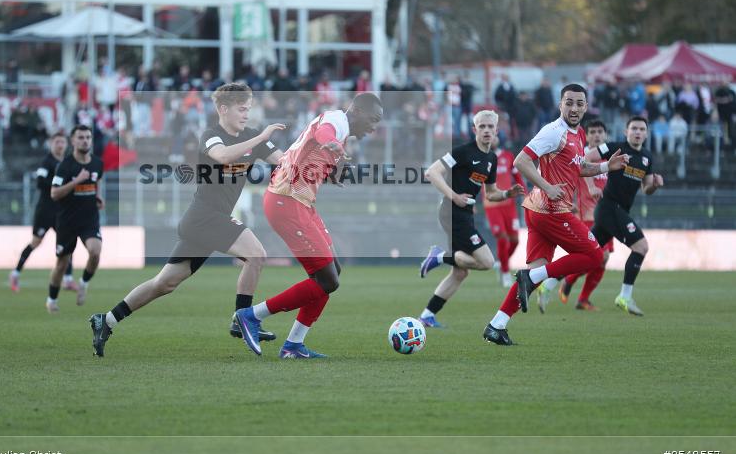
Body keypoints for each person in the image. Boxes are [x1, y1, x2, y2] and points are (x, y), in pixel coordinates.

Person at [88, 83, 285, 357]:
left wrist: (321, 155)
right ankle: (242, 320)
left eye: (248, 109)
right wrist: (260, 138)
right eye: (241, 109)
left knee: (164, 283)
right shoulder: (211, 136)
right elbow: (224, 155)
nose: (246, 114)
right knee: (257, 255)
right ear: (222, 109)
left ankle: (106, 320)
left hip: (209, 221)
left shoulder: (254, 137)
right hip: (204, 217)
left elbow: (286, 162)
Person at [233, 93, 384, 359]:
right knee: (327, 280)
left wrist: (332, 170)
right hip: (287, 201)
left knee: (331, 273)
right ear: (358, 111)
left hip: (300, 203)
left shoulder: (341, 129)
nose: (374, 128)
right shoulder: (337, 121)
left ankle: (293, 346)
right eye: (373, 120)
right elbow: (325, 134)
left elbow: (312, 153)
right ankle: (251, 316)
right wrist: (334, 146)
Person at [482, 83, 629, 346]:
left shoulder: (579, 134)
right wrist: (547, 186)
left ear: (586, 106)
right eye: (569, 102)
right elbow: (521, 161)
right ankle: (532, 279)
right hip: (551, 210)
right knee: (594, 255)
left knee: (535, 273)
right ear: (560, 104)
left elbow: (579, 167)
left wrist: (608, 166)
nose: (574, 108)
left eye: (579, 103)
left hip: (539, 211)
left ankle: (496, 325)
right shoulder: (553, 132)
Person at [417, 111, 525, 328]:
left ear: (496, 131)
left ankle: (427, 315)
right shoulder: (463, 152)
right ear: (474, 130)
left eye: (490, 127)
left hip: (465, 214)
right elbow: (432, 173)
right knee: (486, 262)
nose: (486, 130)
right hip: (451, 212)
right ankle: (440, 257)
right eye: (482, 126)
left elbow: (491, 193)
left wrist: (507, 194)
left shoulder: (491, 159)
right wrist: (454, 196)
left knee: (460, 272)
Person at [587, 116, 662, 316]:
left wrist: (654, 184)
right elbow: (586, 157)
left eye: (641, 129)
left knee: (586, 254)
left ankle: (547, 282)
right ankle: (625, 296)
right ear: (625, 132)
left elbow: (646, 189)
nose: (637, 132)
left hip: (617, 211)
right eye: (634, 129)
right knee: (641, 246)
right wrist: (592, 184)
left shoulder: (647, 157)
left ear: (646, 134)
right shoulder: (614, 147)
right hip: (609, 207)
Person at [537, 119, 613, 312]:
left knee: (602, 260)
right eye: (592, 132)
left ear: (606, 135)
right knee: (595, 255)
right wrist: (590, 187)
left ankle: (582, 298)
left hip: (606, 216)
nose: (596, 135)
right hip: (586, 215)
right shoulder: (581, 155)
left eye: (600, 132)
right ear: (586, 136)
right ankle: (558, 281)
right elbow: (579, 173)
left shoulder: (608, 160)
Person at [9, 132, 76, 292]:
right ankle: (15, 273)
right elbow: (40, 182)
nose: (60, 145)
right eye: (57, 142)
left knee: (67, 242)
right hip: (45, 211)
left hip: (61, 211)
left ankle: (68, 279)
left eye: (62, 142)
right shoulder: (47, 162)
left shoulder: (67, 162)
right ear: (51, 144)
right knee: (36, 242)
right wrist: (59, 186)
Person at [46, 126, 103, 312]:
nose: (85, 140)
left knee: (95, 252)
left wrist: (98, 196)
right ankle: (52, 299)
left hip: (89, 219)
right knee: (62, 264)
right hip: (67, 222)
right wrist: (77, 181)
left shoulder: (97, 163)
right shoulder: (65, 165)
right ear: (73, 141)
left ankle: (84, 283)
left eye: (88, 137)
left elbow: (97, 180)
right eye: (81, 137)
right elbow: (54, 193)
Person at [482, 136, 526, 288]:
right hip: (492, 204)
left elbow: (517, 176)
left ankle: (502, 265)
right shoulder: (480, 157)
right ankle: (506, 273)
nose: (492, 139)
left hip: (509, 204)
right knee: (502, 237)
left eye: (495, 136)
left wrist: (524, 193)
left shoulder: (507, 156)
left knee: (515, 241)